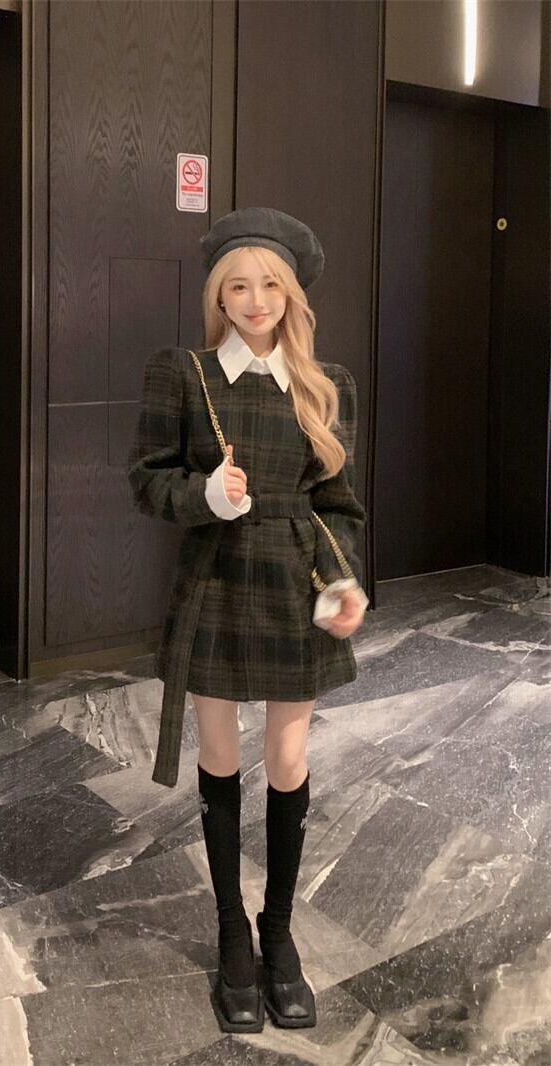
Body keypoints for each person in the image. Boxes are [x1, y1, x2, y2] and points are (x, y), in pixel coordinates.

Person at [127, 207, 368, 1033]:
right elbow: (146, 479)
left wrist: (344, 582)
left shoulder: (326, 383)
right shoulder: (184, 372)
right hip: (217, 581)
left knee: (290, 760)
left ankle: (279, 931)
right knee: (222, 756)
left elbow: (339, 506)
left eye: (270, 285)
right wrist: (205, 494)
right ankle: (233, 931)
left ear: (292, 294)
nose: (255, 300)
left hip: (296, 588)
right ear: (217, 297)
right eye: (238, 286)